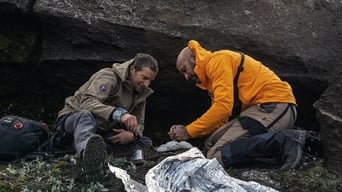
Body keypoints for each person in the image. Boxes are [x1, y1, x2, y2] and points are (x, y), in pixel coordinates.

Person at [168, 40, 301, 170]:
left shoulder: (217, 60)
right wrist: (190, 131)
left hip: (275, 106)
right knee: (210, 143)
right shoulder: (211, 76)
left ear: (193, 58)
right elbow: (220, 118)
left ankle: (286, 141)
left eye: (185, 69)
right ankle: (272, 156)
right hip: (256, 111)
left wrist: (188, 131)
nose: (186, 77)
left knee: (215, 156)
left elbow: (223, 108)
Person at [55, 53, 158, 182]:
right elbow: (86, 102)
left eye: (150, 81)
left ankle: (95, 151)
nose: (146, 84)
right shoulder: (109, 76)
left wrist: (132, 135)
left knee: (144, 142)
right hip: (72, 120)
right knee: (85, 116)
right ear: (132, 69)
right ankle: (86, 159)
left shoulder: (141, 93)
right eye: (144, 77)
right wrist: (119, 114)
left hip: (99, 131)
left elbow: (140, 123)